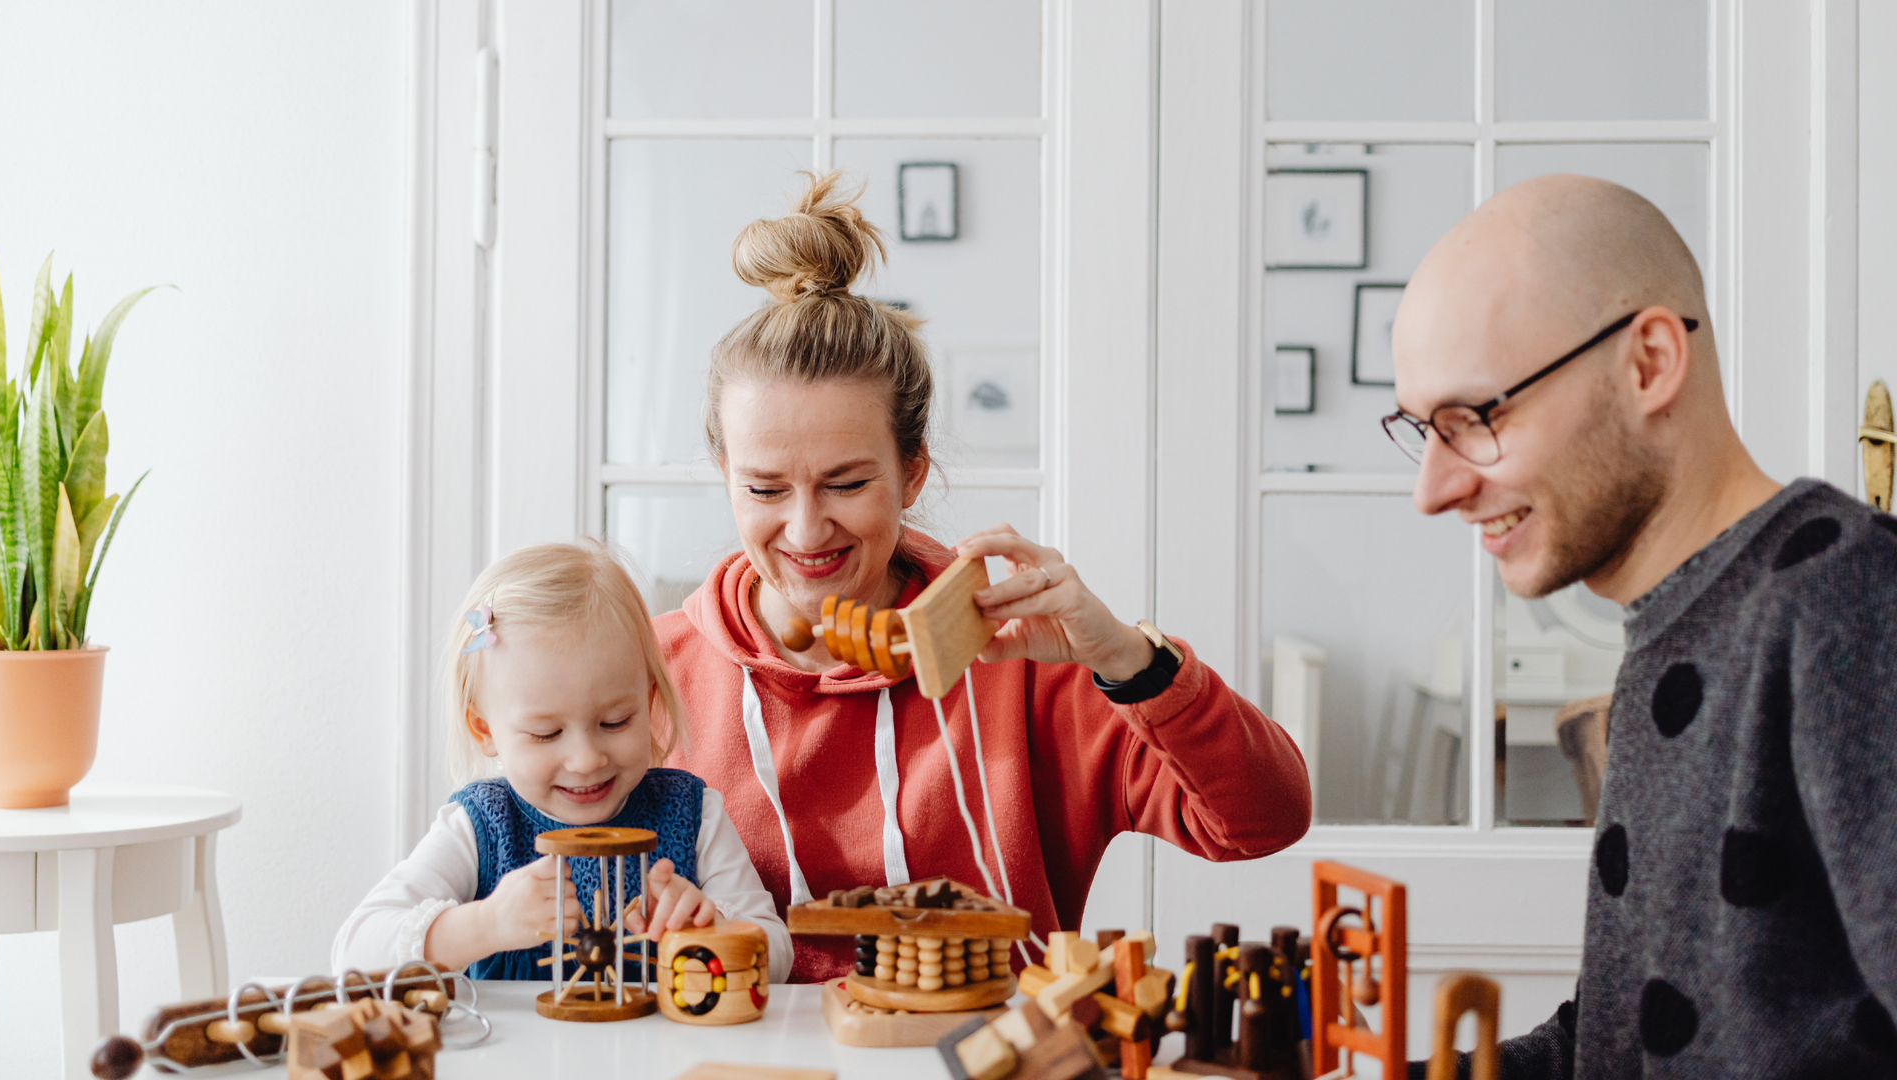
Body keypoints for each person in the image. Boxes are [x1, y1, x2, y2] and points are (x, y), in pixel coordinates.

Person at [655, 173, 1313, 983]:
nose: (804, 529)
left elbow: (1263, 821)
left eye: (848, 484)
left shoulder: (1023, 659)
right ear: (725, 473)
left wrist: (1127, 660)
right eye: (764, 489)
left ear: (914, 472)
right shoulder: (652, 673)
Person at [1387, 174, 1897, 1076]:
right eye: (1421, 429)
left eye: (1474, 419)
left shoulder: (1847, 597)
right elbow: (1628, 1038)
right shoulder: (1677, 623)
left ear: (1650, 363)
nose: (1433, 491)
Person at [334, 541, 791, 983]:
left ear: (649, 704)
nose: (587, 759)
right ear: (485, 731)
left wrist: (711, 933)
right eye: (546, 734)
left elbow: (779, 954)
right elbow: (354, 953)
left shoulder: (693, 814)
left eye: (615, 721)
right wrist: (487, 923)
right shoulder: (480, 828)